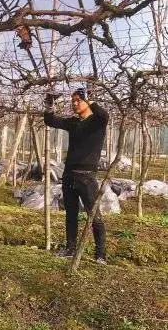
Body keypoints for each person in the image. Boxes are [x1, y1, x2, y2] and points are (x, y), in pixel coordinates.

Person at [44, 88, 109, 265]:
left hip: (87, 177)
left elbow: (104, 115)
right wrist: (49, 103)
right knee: (70, 214)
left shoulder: (97, 121)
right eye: (73, 100)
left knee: (94, 215)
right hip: (69, 175)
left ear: (87, 101)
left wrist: (91, 99)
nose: (74, 103)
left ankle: (100, 254)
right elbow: (50, 121)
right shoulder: (73, 123)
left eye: (78, 100)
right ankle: (70, 248)